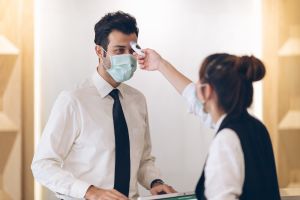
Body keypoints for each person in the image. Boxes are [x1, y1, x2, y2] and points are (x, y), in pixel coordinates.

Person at [31, 11, 175, 200]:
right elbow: (43, 165)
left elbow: (143, 160)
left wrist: (155, 182)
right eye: (119, 50)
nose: (129, 57)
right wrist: (90, 191)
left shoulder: (138, 100)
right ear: (100, 51)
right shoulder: (73, 100)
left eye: (132, 50)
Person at [135, 49, 281, 200]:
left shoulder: (227, 139)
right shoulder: (256, 127)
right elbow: (193, 98)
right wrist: (160, 64)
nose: (196, 86)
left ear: (207, 90)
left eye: (199, 81)